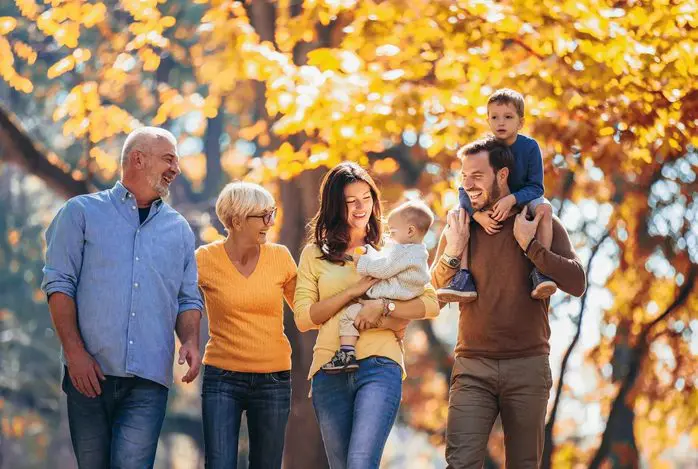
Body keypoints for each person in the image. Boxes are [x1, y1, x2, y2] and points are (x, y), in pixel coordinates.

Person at [41, 127, 203, 468]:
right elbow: (59, 285)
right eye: (168, 158)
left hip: (148, 381)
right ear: (138, 158)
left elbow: (188, 299)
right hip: (89, 375)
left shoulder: (179, 230)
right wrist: (74, 354)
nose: (176, 168)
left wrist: (189, 339)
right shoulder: (80, 213)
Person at [430, 136, 586, 468]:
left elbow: (577, 283)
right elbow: (431, 298)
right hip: (472, 367)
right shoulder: (459, 226)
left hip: (528, 366)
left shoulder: (538, 221)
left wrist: (532, 247)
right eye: (464, 176)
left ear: (502, 175)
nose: (468, 185)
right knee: (460, 462)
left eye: (477, 176)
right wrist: (453, 253)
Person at [294, 162, 441, 469]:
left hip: (379, 365)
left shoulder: (393, 248)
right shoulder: (314, 254)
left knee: (360, 462)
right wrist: (352, 292)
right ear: (336, 207)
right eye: (351, 202)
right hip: (329, 370)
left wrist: (384, 308)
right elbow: (305, 318)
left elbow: (429, 304)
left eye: (366, 198)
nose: (361, 207)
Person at [196, 182, 297, 469]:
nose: (271, 222)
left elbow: (307, 311)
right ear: (237, 219)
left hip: (274, 379)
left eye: (272, 213)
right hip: (222, 377)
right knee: (219, 463)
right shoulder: (205, 259)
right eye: (263, 216)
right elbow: (181, 303)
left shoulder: (280, 257)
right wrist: (187, 343)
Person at [437, 88, 557, 303]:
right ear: (488, 120)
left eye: (508, 117)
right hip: (486, 203)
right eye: (495, 117)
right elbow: (465, 188)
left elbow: (537, 187)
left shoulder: (529, 147)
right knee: (458, 215)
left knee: (545, 209)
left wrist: (512, 199)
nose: (501, 122)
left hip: (523, 200)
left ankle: (540, 270)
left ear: (520, 122)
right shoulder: (486, 148)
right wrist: (476, 215)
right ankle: (463, 276)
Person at [322, 200, 434, 373]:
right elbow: (386, 260)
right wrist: (370, 252)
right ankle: (395, 328)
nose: (389, 236)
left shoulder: (402, 251)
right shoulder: (418, 252)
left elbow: (383, 268)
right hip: (403, 297)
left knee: (349, 315)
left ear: (410, 231)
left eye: (393, 231)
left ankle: (346, 355)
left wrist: (362, 262)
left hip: (393, 294)